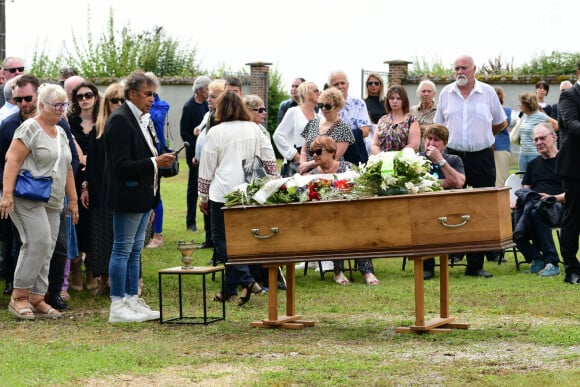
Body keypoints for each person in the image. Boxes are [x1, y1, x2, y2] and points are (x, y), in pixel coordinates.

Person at [0, 75, 80, 311]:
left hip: (54, 200)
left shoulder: (61, 131)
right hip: (27, 197)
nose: (61, 109)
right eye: (56, 105)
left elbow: (67, 167)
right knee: (37, 242)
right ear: (42, 105)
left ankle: (37, 298)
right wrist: (6, 195)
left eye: (64, 104)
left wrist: (73, 200)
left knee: (49, 247)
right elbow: (11, 159)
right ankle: (19, 296)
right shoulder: (30, 127)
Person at [103, 71, 176, 322]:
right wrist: (155, 161)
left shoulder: (143, 120)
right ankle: (117, 304)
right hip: (128, 194)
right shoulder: (121, 120)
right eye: (148, 94)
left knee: (135, 251)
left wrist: (161, 162)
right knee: (122, 249)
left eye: (154, 94)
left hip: (145, 195)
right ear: (132, 93)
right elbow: (120, 165)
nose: (152, 99)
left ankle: (132, 298)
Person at [198, 91, 277, 305]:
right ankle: (229, 290)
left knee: (221, 240)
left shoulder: (216, 132)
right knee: (244, 241)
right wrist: (272, 183)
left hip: (223, 192)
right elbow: (269, 160)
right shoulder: (254, 128)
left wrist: (203, 197)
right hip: (250, 191)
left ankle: (247, 279)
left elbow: (206, 167)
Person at [435, 54, 508, 278]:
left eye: (464, 68)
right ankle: (452, 255)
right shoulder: (446, 93)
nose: (460, 72)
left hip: (482, 157)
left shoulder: (487, 93)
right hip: (454, 157)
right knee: (451, 208)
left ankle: (475, 265)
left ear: (474, 69)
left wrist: (483, 138)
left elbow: (500, 122)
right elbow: (439, 126)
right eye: (456, 68)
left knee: (481, 209)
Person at [308, 136, 379, 286]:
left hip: (350, 216)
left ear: (331, 151)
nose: (314, 155)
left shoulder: (347, 167)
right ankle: (338, 271)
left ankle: (367, 272)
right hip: (325, 220)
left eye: (318, 151)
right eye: (312, 152)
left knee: (357, 228)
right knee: (336, 228)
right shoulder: (312, 175)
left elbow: (361, 190)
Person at [81, 82, 125, 296]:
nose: (118, 104)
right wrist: (87, 187)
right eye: (114, 100)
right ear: (106, 103)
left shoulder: (131, 127)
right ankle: (103, 279)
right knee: (101, 238)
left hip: (124, 192)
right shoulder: (98, 130)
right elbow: (91, 166)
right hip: (101, 191)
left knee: (124, 238)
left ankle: (130, 280)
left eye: (122, 100)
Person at [513, 122, 563, 277]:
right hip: (534, 205)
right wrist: (520, 199)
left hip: (561, 206)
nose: (538, 143)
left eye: (542, 138)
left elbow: (574, 193)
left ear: (554, 137)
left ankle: (552, 262)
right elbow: (525, 189)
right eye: (535, 140)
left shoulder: (567, 161)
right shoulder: (533, 164)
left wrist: (552, 198)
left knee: (536, 212)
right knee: (509, 219)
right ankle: (536, 258)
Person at [420, 124, 466, 279]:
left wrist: (440, 161)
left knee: (474, 216)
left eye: (436, 140)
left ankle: (475, 267)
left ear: (444, 144)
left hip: (451, 206)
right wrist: (445, 182)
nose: (431, 143)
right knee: (422, 220)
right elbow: (416, 184)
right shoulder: (417, 159)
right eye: (429, 139)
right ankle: (428, 267)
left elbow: (459, 183)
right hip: (426, 207)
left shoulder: (454, 159)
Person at [68, 81, 101, 291]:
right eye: (79, 97)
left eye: (88, 95)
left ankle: (91, 269)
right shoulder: (69, 122)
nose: (84, 99)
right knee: (75, 223)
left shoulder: (104, 121)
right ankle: (75, 269)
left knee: (93, 223)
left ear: (95, 97)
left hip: (98, 179)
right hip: (74, 178)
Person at [555, 61, 580, 285]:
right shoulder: (569, 95)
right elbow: (572, 125)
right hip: (575, 167)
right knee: (574, 217)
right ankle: (572, 268)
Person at [298, 87, 355, 174]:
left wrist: (308, 165)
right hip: (306, 173)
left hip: (329, 173)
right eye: (321, 105)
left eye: (327, 106)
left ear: (337, 107)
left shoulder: (344, 129)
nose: (323, 109)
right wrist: (303, 167)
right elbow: (304, 150)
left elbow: (333, 157)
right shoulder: (312, 122)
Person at [180, 75, 211, 233]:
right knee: (193, 188)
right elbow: (185, 133)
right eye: (207, 89)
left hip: (207, 153)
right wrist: (194, 154)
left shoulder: (207, 105)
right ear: (199, 90)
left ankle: (209, 223)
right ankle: (190, 222)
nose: (209, 92)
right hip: (194, 155)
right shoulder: (188, 107)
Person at [273, 81, 320, 177]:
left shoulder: (318, 117)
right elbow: (278, 135)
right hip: (295, 164)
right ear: (305, 94)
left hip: (314, 163)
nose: (319, 93)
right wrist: (294, 155)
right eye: (315, 91)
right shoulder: (294, 112)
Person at [145, 72, 170, 249]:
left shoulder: (161, 105)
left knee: (156, 195)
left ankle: (157, 235)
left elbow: (155, 119)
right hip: (141, 156)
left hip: (156, 155)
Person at [328, 70, 371, 165]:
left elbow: (365, 130)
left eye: (342, 83)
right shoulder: (325, 106)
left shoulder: (359, 104)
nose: (340, 86)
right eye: (336, 84)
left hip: (355, 155)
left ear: (348, 84)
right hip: (331, 156)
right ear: (330, 87)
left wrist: (342, 138)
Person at [371, 85, 420, 154]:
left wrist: (395, 158)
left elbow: (414, 145)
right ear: (388, 100)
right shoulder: (382, 120)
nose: (395, 101)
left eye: (398, 98)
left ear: (404, 100)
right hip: (383, 161)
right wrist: (381, 157)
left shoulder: (412, 120)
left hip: (403, 160)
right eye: (392, 98)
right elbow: (374, 145)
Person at [517, 92, 557, 172]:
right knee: (523, 179)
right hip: (523, 153)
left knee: (536, 178)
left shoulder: (540, 116)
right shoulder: (524, 116)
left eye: (521, 103)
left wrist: (545, 135)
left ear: (527, 104)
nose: (519, 105)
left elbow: (556, 124)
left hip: (535, 154)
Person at [410, 80, 438, 151]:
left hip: (432, 152)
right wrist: (430, 128)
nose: (426, 94)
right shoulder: (411, 111)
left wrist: (416, 127)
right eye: (423, 91)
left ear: (434, 94)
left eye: (429, 91)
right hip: (414, 152)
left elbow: (441, 131)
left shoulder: (439, 111)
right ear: (418, 94)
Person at [363, 73, 386, 155]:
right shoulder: (363, 103)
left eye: (376, 83)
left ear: (381, 85)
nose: (373, 85)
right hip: (370, 138)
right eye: (370, 83)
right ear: (367, 85)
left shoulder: (387, 101)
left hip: (386, 136)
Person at [493, 86, 512, 187]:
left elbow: (504, 124)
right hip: (486, 149)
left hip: (501, 147)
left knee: (501, 180)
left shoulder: (506, 110)